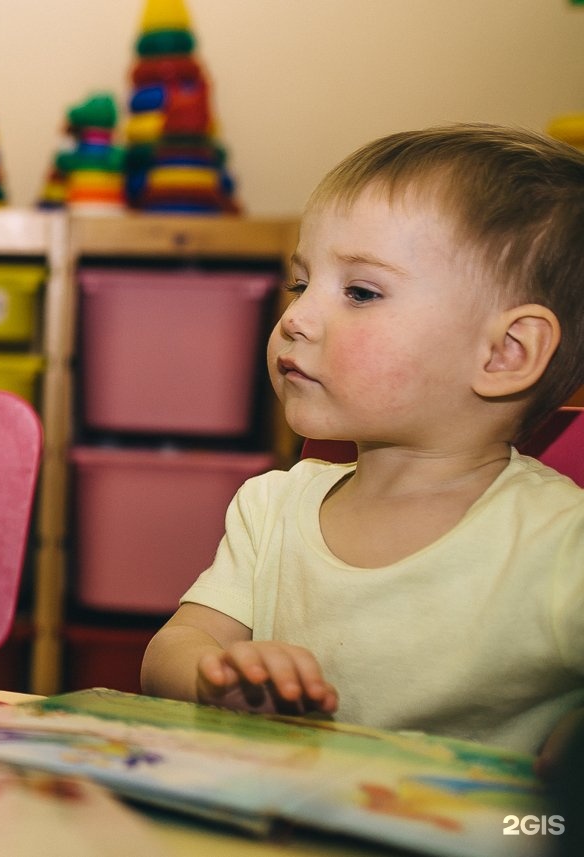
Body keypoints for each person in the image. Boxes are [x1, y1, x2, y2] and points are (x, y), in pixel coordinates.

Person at [140, 123, 584, 771]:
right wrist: (214, 674)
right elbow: (172, 647)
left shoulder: (559, 543)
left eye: (360, 292)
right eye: (300, 283)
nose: (295, 317)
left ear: (504, 353)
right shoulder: (271, 506)